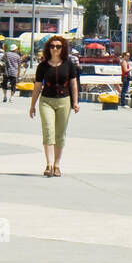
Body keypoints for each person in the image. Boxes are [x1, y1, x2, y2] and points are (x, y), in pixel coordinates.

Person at [29, 36, 79, 177]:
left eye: (58, 46)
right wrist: (32, 105)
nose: (55, 49)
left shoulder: (69, 65)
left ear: (63, 48)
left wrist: (75, 102)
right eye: (52, 46)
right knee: (48, 130)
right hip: (46, 101)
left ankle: (57, 165)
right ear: (48, 48)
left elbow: (73, 84)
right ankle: (49, 164)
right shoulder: (43, 66)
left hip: (64, 100)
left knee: (60, 134)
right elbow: (38, 86)